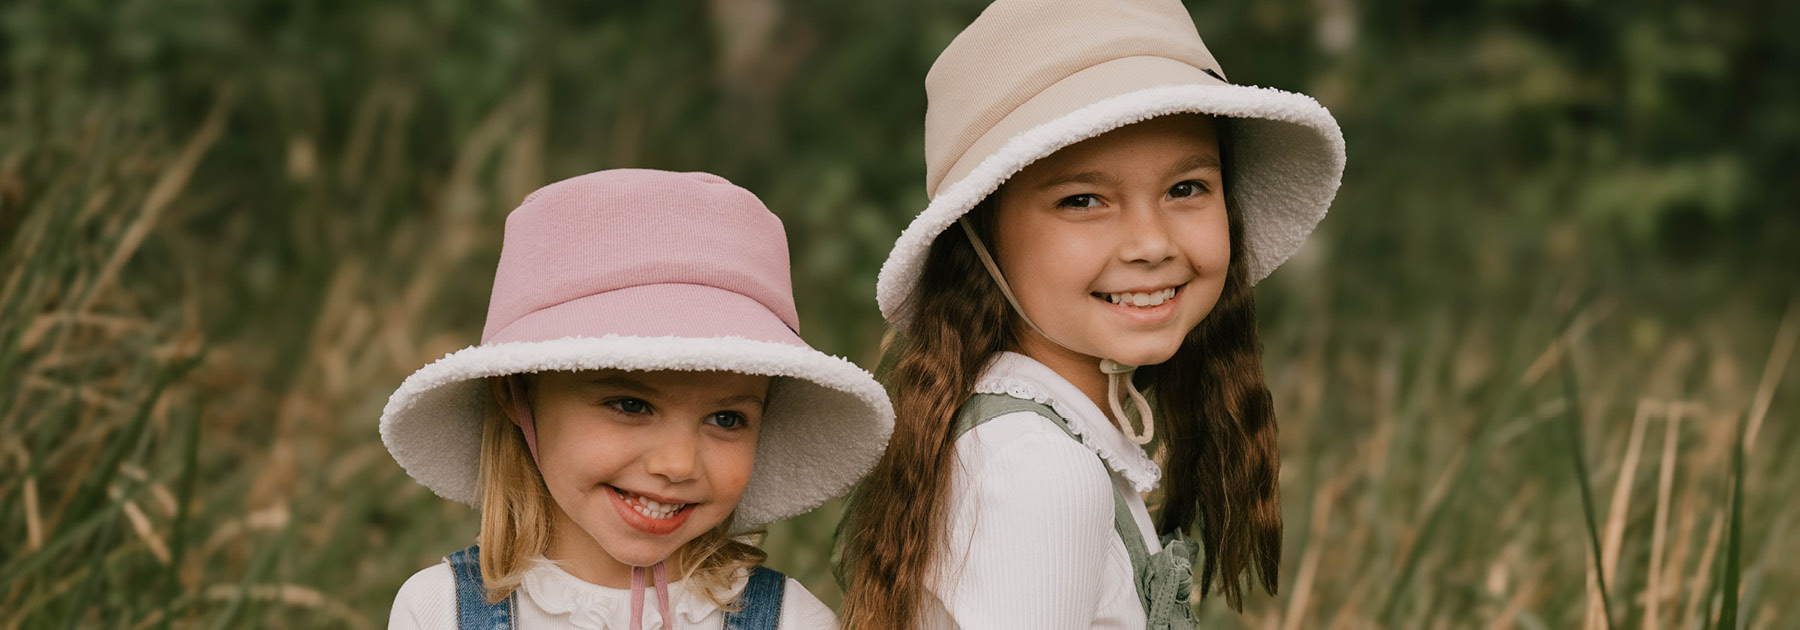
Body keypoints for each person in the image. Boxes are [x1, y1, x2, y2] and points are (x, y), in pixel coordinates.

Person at [836, 0, 1346, 627]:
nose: (1151, 244)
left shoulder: (1048, 437)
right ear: (978, 236)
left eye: (1186, 189)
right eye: (1083, 200)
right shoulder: (1038, 469)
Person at [382, 169, 893, 629]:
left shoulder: (792, 623)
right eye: (630, 405)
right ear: (517, 393)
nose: (677, 463)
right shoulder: (439, 612)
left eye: (726, 417)